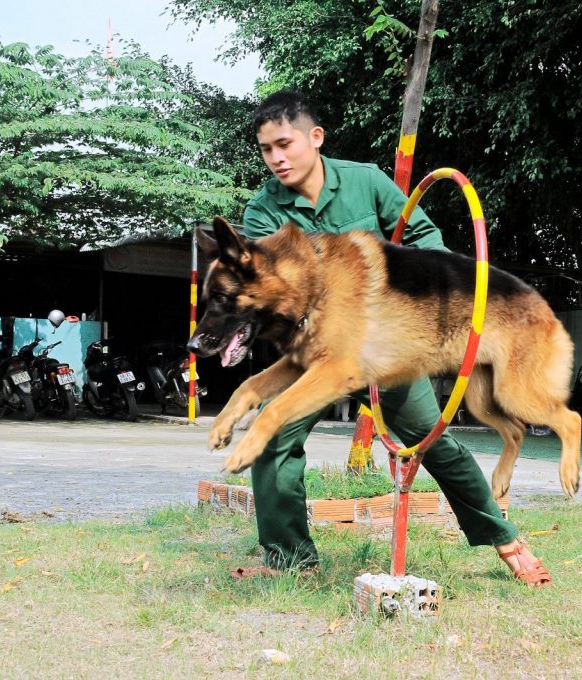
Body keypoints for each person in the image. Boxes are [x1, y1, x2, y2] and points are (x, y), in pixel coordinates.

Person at [228, 90, 551, 587]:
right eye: (266, 149)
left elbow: (426, 242)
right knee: (273, 439)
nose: (276, 158)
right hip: (318, 357)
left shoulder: (367, 182)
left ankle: (506, 540)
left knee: (437, 444)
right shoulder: (262, 213)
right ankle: (291, 559)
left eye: (284, 144)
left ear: (315, 138)